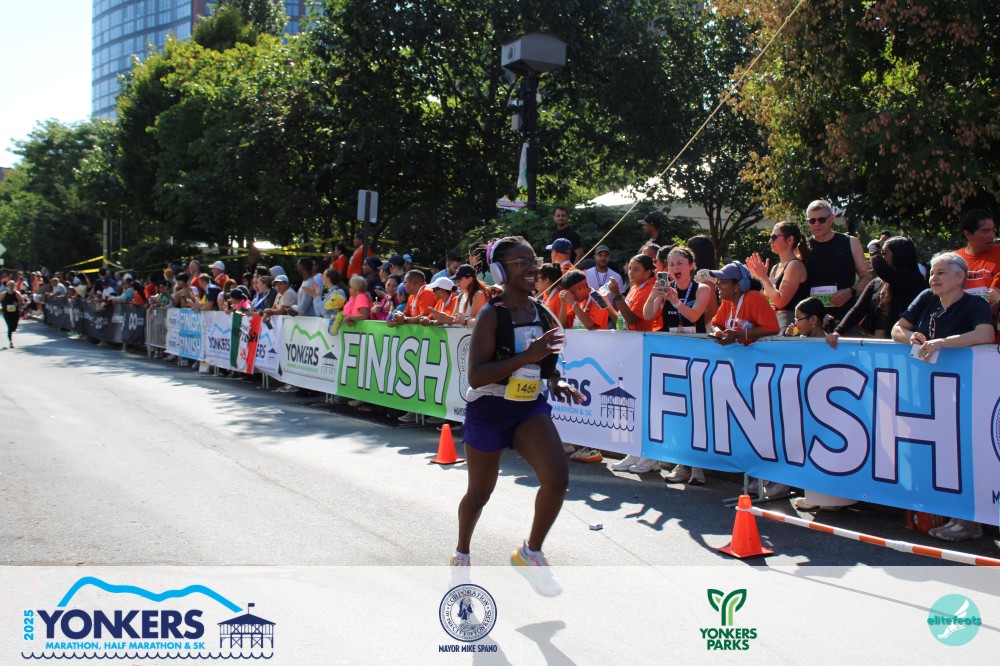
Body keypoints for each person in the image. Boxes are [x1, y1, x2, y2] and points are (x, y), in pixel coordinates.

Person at [454, 235, 582, 597]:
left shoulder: (542, 313)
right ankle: (462, 553)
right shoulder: (491, 314)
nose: (532, 268)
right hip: (489, 407)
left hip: (527, 407)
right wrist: (529, 356)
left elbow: (545, 362)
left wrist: (556, 380)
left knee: (557, 478)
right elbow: (476, 376)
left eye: (534, 261)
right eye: (522, 262)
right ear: (500, 270)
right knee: (480, 493)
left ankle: (531, 553)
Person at [888, 251, 994, 539]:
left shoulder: (975, 304)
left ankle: (969, 522)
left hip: (965, 391)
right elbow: (898, 328)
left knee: (965, 450)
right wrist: (911, 338)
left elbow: (985, 334)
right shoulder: (926, 298)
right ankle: (942, 512)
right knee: (939, 453)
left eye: (941, 273)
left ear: (960, 278)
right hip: (927, 390)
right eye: (932, 272)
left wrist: (942, 343)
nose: (933, 278)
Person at [826, 236, 926, 347]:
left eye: (884, 254)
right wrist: (838, 331)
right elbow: (858, 310)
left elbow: (883, 270)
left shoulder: (914, 280)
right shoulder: (877, 282)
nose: (881, 258)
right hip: (878, 344)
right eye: (880, 254)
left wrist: (873, 248)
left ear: (899, 256)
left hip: (907, 343)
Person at [803, 200, 873, 322]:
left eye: (821, 220)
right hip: (812, 320)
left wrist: (850, 291)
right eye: (812, 221)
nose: (816, 224)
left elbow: (868, 278)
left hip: (846, 318)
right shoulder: (802, 247)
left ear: (831, 219)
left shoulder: (850, 242)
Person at [746, 221, 810, 329]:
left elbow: (780, 302)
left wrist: (763, 277)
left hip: (790, 325)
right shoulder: (775, 268)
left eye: (774, 237)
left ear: (790, 240)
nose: (770, 241)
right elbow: (767, 300)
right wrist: (758, 279)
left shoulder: (795, 265)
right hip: (775, 322)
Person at [642, 247, 711, 334]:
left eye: (680, 263)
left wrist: (675, 301)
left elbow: (693, 317)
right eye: (671, 264)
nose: (675, 268)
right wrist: (652, 296)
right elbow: (648, 316)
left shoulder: (702, 289)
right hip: (671, 340)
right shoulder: (666, 288)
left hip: (694, 340)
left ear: (691, 266)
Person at [709, 261, 780, 345]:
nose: (718, 286)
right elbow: (715, 324)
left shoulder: (754, 297)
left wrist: (738, 334)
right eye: (718, 282)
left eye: (723, 282)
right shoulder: (727, 301)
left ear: (738, 285)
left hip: (754, 352)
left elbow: (773, 328)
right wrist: (718, 332)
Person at [2, 283, 26, 348]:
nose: (11, 287)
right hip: (7, 313)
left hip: (15, 313)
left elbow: (22, 303)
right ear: (7, 286)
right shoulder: (3, 294)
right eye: (10, 285)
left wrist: (17, 303)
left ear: (14, 286)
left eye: (12, 285)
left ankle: (12, 331)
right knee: (10, 327)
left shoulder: (17, 294)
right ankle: (11, 342)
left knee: (14, 327)